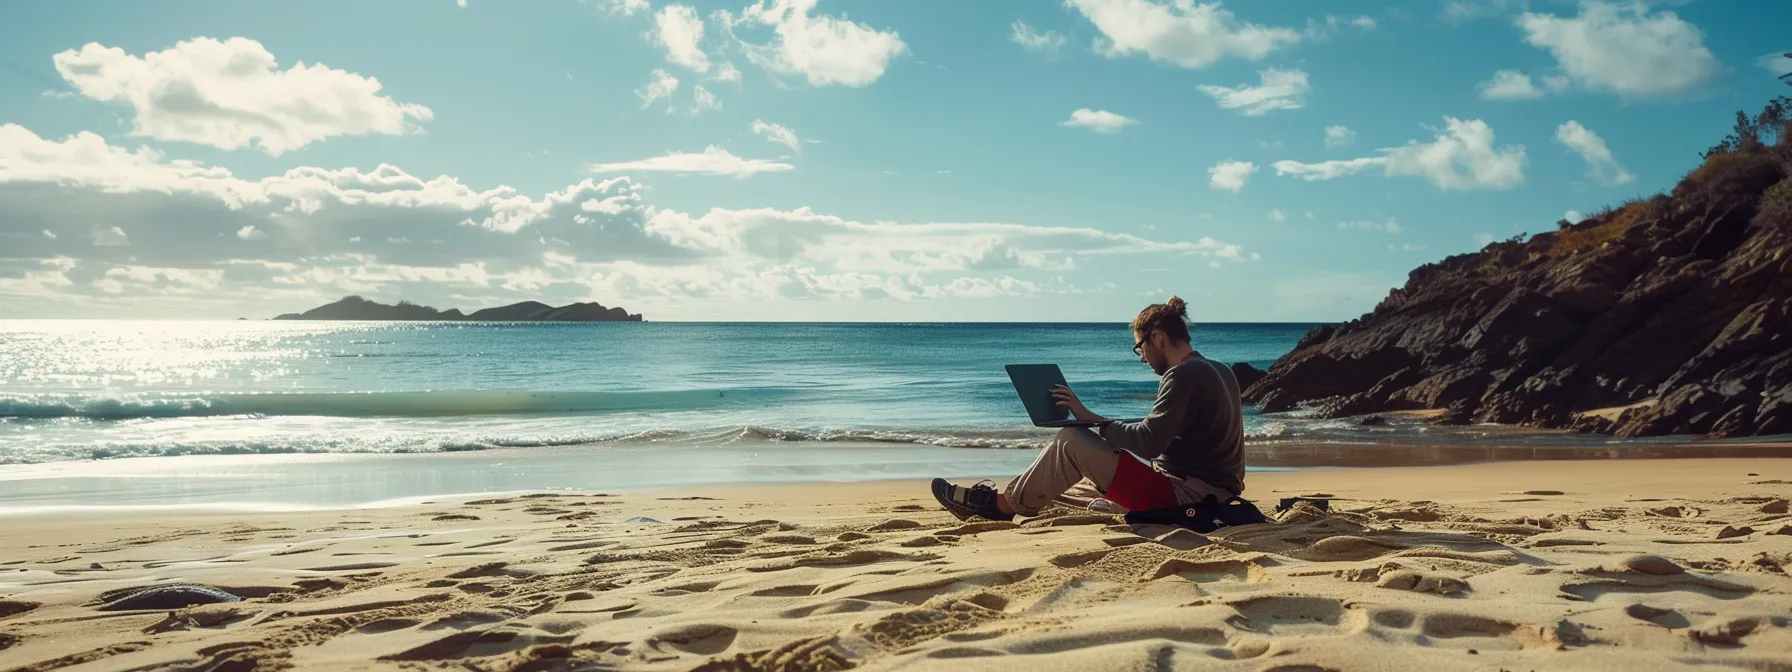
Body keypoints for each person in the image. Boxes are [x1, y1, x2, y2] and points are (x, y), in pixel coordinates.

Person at [931, 296, 1245, 521]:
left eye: (1140, 347)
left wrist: (1094, 421)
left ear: (1158, 337)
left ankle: (998, 506)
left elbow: (1150, 443)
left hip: (1186, 499)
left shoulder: (1182, 375)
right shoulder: (1219, 370)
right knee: (1065, 485)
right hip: (1213, 493)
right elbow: (1174, 435)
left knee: (1072, 439)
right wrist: (1103, 424)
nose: (1141, 357)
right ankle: (1014, 499)